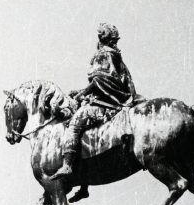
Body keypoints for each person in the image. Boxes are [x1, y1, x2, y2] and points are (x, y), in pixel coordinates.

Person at [53, 23, 139, 182]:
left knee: (74, 124)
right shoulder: (114, 54)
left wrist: (81, 94)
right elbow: (104, 81)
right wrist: (82, 92)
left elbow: (99, 80)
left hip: (105, 104)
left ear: (101, 38)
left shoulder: (102, 54)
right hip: (113, 98)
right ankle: (83, 185)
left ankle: (68, 165)